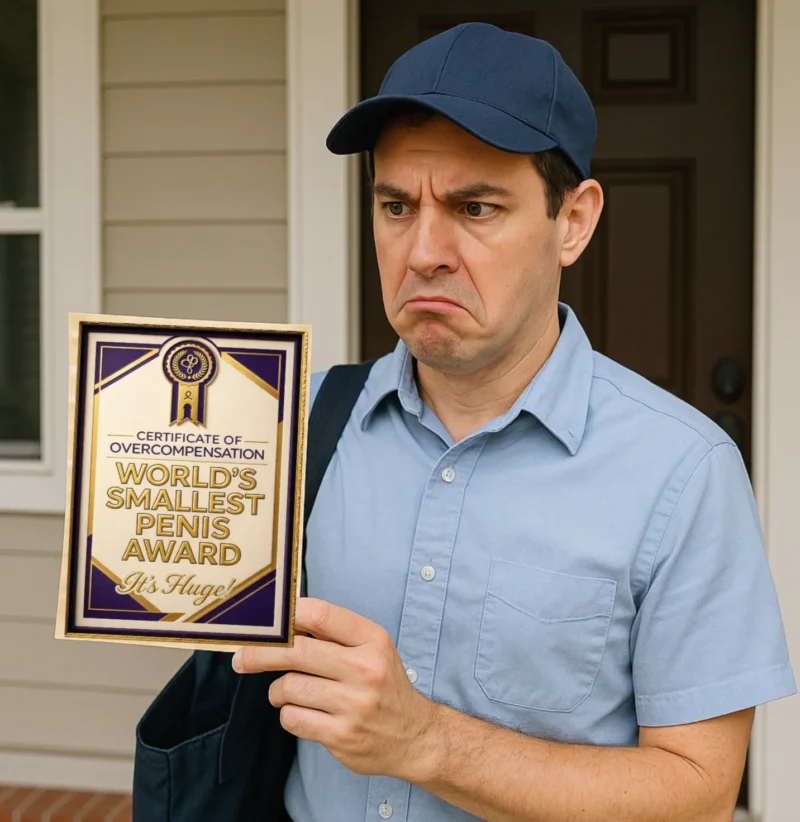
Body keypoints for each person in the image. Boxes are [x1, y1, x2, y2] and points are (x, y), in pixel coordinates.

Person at [134, 22, 796, 822]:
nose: (423, 251)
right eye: (395, 205)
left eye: (475, 207)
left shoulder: (683, 471)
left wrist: (424, 742)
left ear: (575, 222)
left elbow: (699, 794)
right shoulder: (292, 425)